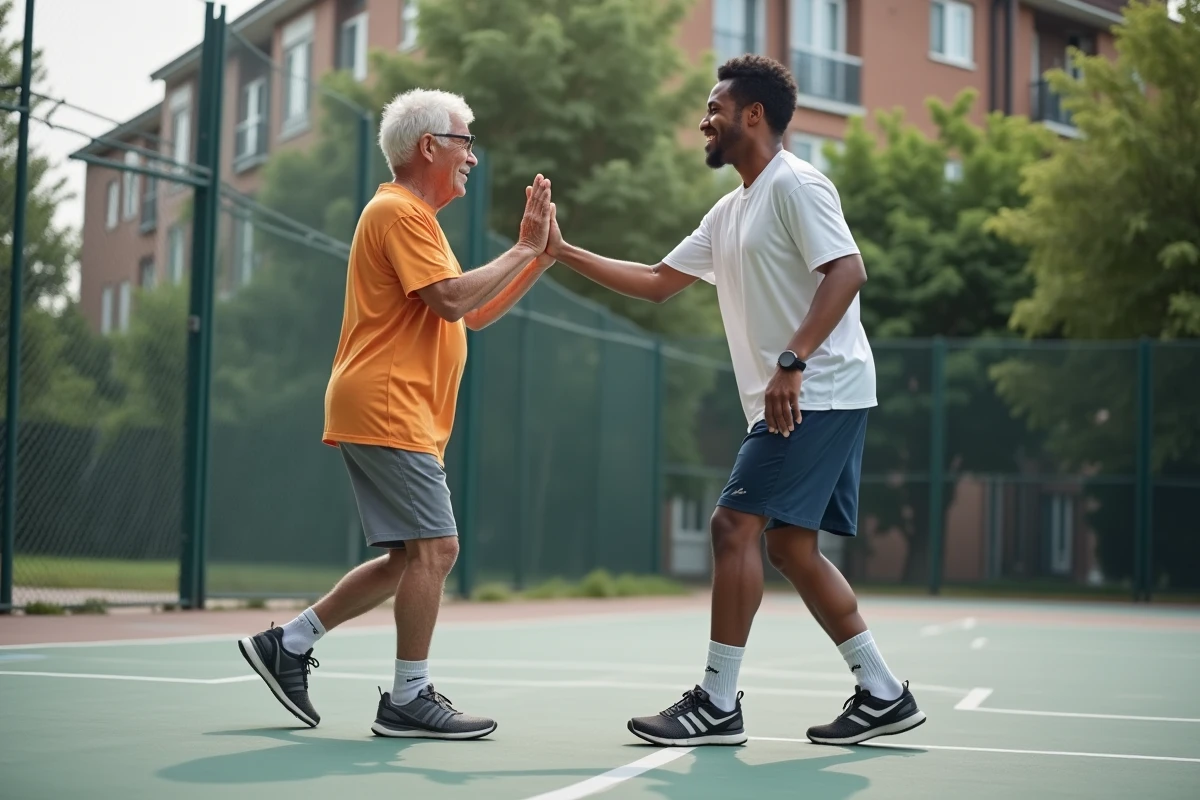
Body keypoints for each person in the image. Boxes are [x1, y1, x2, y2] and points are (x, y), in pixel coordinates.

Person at [543, 55, 925, 747]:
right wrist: (560, 251)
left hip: (816, 390)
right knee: (792, 549)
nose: (704, 121)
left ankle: (718, 702)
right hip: (802, 395)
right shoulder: (730, 211)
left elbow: (847, 271)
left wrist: (792, 362)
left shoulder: (797, 184)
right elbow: (657, 281)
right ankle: (882, 692)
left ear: (753, 114)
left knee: (731, 527)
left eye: (714, 108)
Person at [238, 88, 557, 740]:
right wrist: (522, 248)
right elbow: (450, 299)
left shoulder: (416, 219)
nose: (473, 157)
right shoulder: (399, 212)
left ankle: (288, 644)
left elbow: (473, 312)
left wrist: (538, 258)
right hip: (390, 407)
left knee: (407, 559)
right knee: (438, 549)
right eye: (466, 142)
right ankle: (409, 699)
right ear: (430, 146)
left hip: (393, 410)